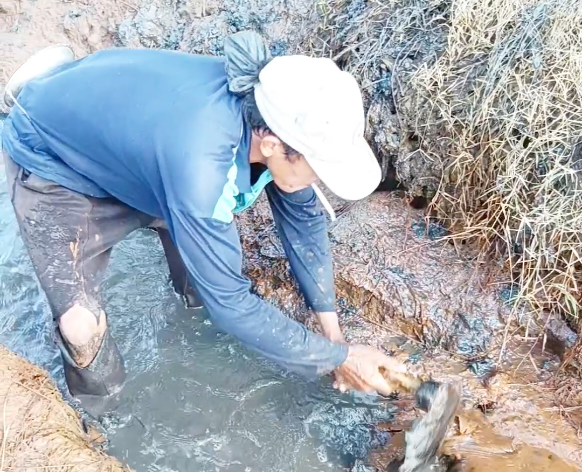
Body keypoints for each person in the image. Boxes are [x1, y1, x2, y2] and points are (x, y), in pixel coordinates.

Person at [2, 33, 405, 401]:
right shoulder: (201, 167)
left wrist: (333, 336)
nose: (318, 180)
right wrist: (338, 359)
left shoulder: (267, 115)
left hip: (143, 157)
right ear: (270, 144)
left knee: (201, 275)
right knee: (81, 328)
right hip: (55, 163)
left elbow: (303, 222)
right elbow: (231, 303)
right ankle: (101, 413)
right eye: (316, 168)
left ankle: (190, 312)